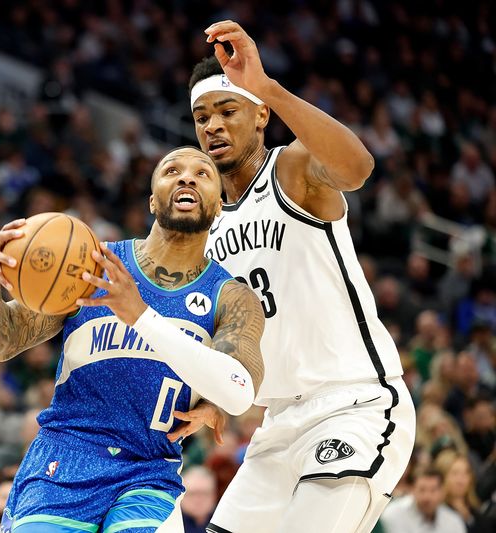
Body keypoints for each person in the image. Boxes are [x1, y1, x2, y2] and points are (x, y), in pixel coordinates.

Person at [187, 20, 416, 533]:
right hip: (277, 426)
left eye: (228, 110)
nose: (213, 126)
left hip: (354, 404)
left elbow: (357, 168)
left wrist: (267, 85)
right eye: (202, 117)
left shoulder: (292, 171)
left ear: (260, 114)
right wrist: (213, 393)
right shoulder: (208, 227)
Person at [0, 146, 264, 532]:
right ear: (152, 200)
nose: (187, 177)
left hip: (148, 469)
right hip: (66, 454)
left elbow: (242, 386)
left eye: (203, 173)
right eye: (172, 170)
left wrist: (212, 396)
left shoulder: (229, 296)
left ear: (220, 206)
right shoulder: (89, 264)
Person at [380, 469, 465, 533]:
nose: (427, 497)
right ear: (412, 490)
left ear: (442, 491)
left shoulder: (453, 521)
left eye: (433, 490)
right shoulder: (392, 514)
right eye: (422, 490)